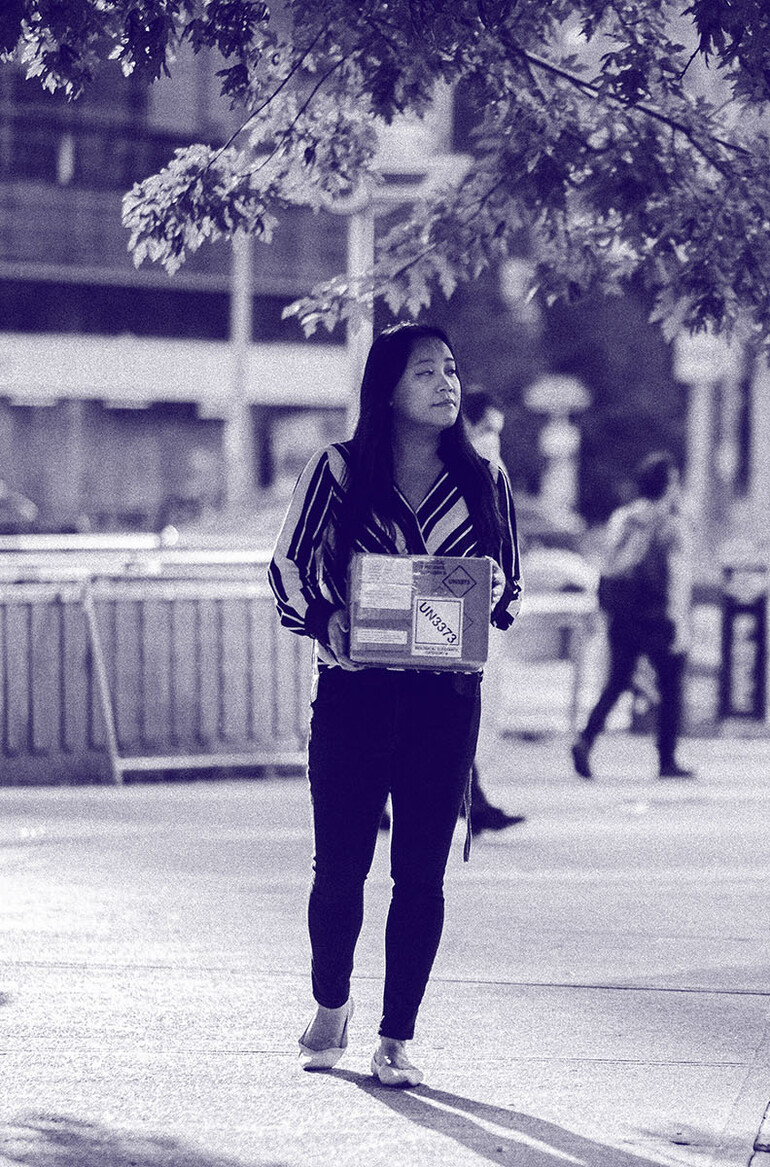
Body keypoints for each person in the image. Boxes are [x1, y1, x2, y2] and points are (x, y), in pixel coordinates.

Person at [270, 323, 523, 1084]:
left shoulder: (485, 477)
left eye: (451, 368)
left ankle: (396, 1037)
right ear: (387, 388)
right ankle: (331, 1001)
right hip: (354, 695)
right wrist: (326, 616)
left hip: (444, 703)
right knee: (339, 867)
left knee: (421, 873)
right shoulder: (338, 469)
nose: (447, 383)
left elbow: (510, 582)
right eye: (426, 372)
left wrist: (476, 603)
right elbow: (286, 565)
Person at [571, 451, 695, 780]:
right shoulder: (672, 525)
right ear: (668, 485)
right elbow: (679, 578)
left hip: (624, 613)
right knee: (670, 688)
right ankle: (667, 760)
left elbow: (608, 564)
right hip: (658, 615)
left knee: (617, 682)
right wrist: (680, 623)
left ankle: (585, 739)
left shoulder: (623, 518)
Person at [459, 394, 526, 834]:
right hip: (455, 605)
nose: (493, 440)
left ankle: (474, 800)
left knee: (455, 711)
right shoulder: (465, 471)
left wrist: (503, 604)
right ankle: (473, 802)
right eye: (487, 429)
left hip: (470, 606)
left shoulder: (489, 475)